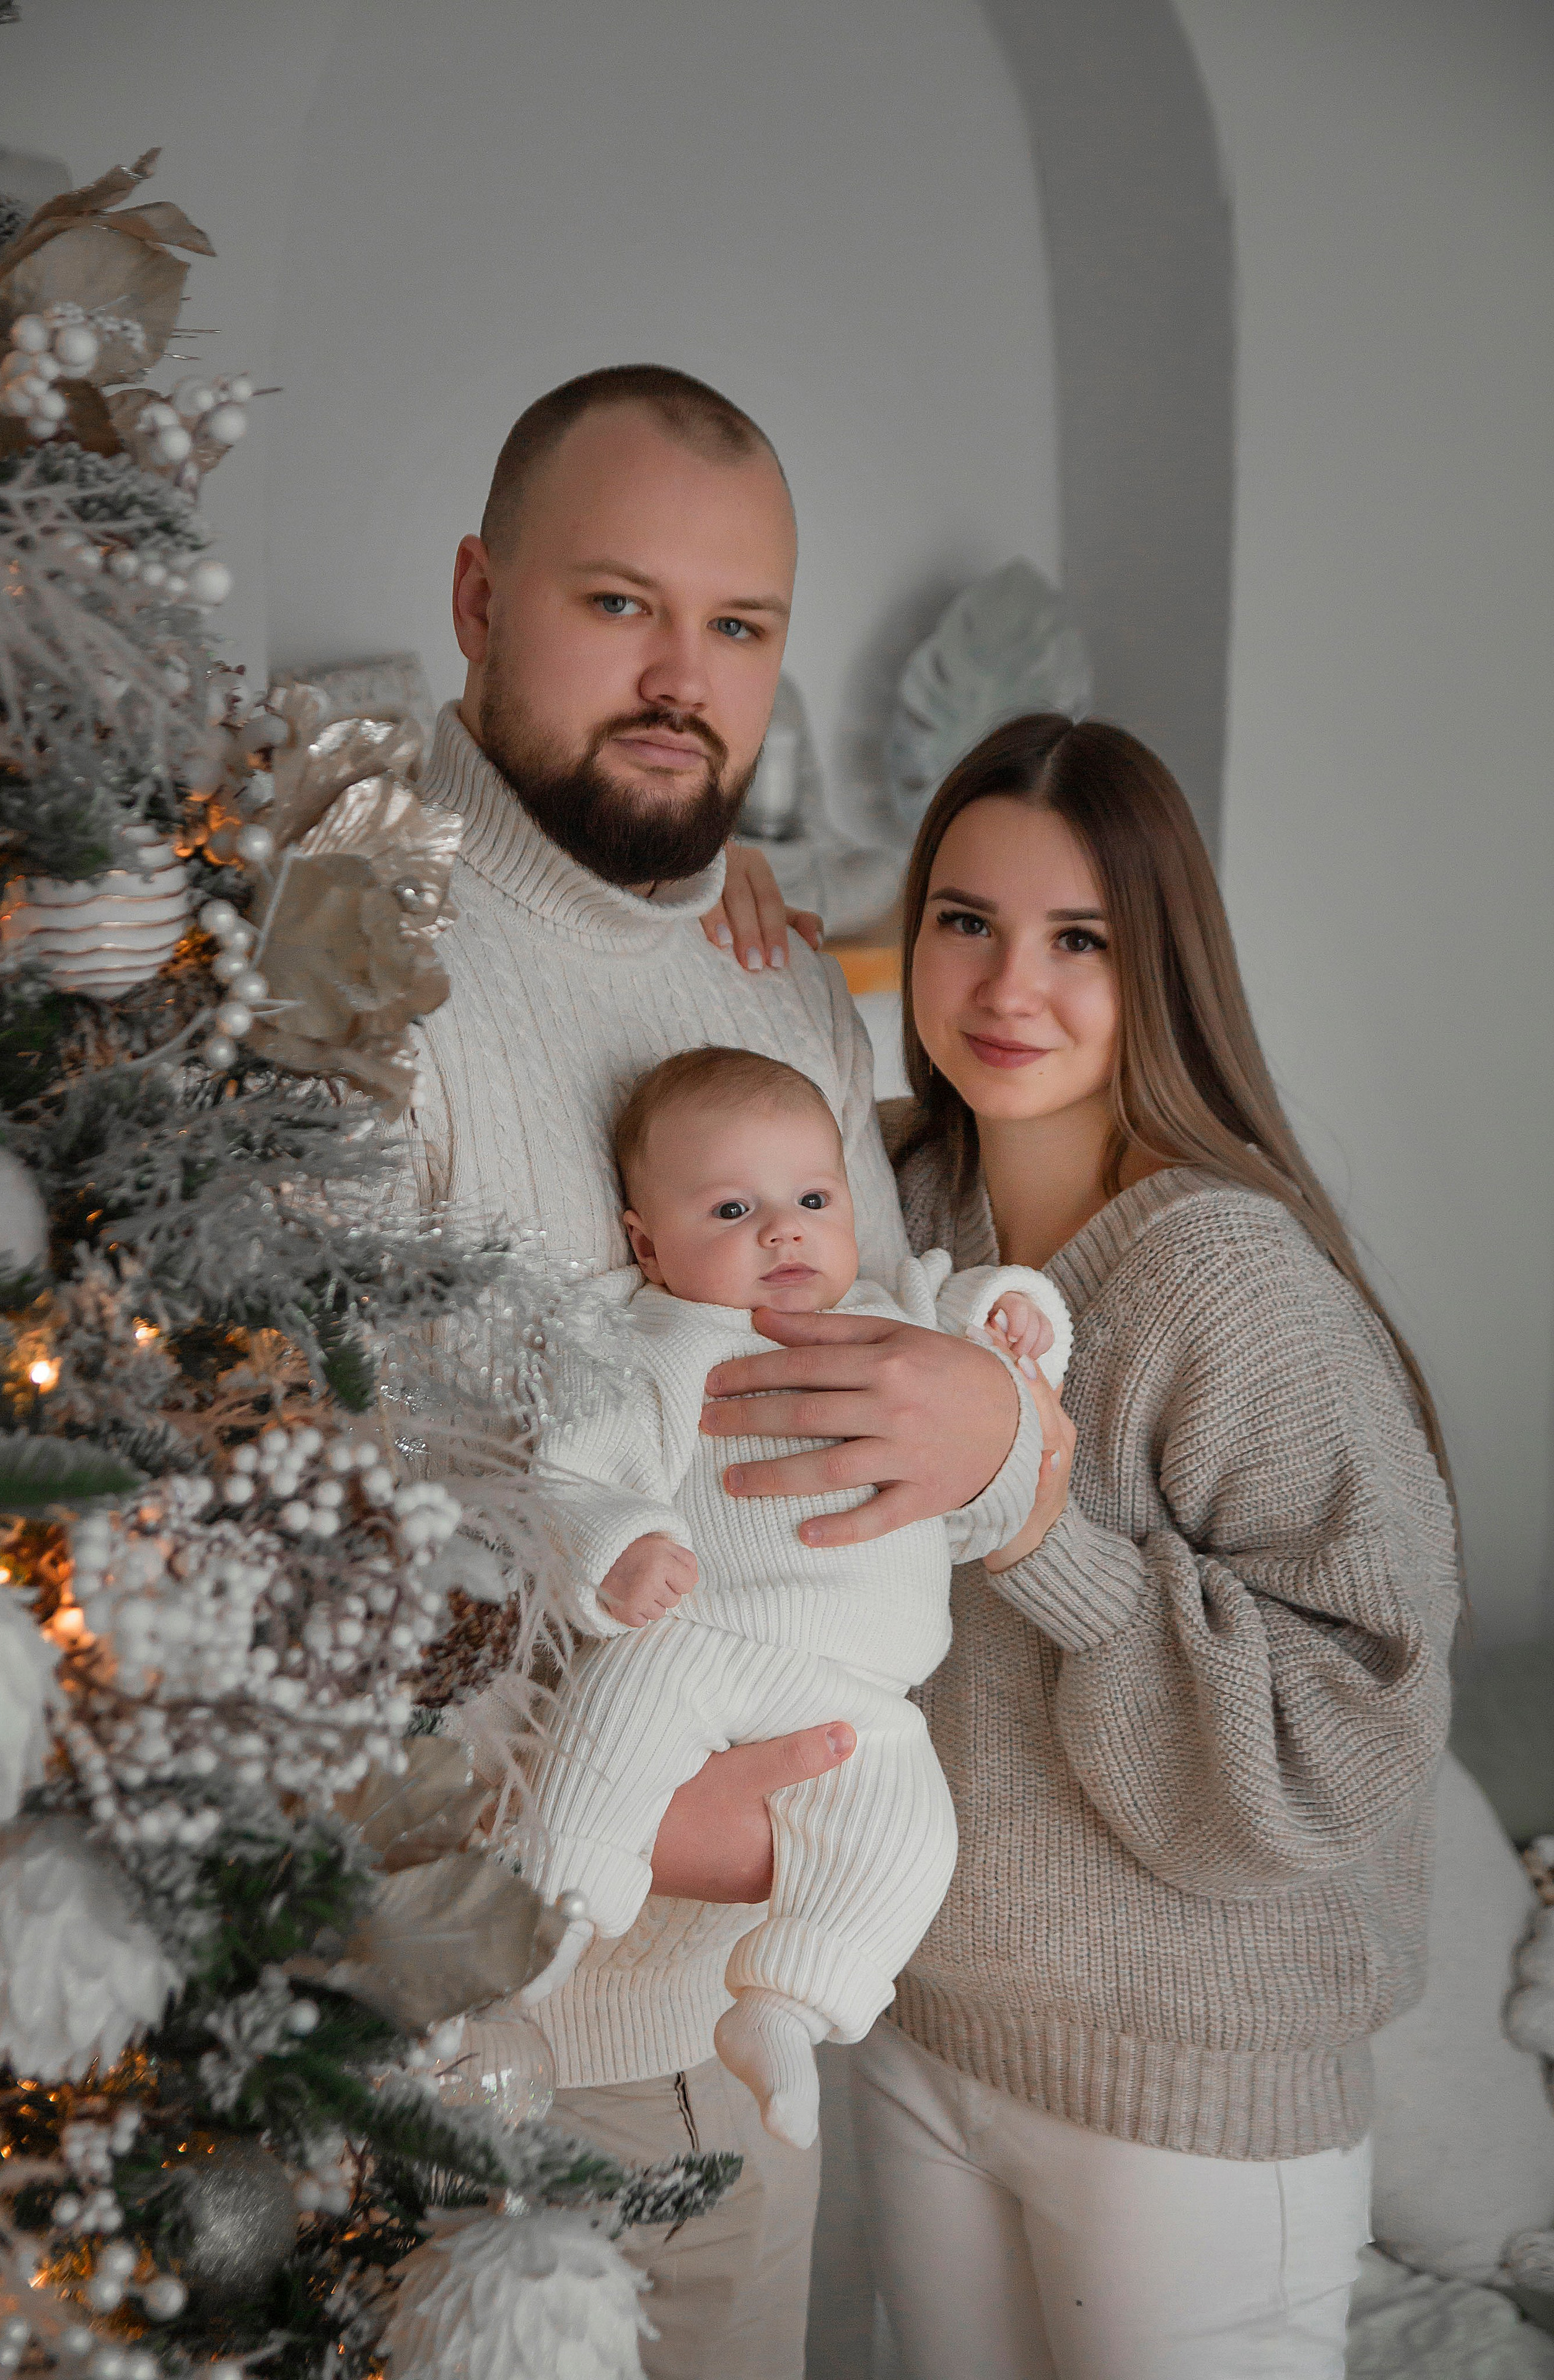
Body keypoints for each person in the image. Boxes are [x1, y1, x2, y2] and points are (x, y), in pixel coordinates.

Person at [406, 362, 1054, 2378]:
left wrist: (1007, 1443)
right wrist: (645, 1822)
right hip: (433, 2032)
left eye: (741, 626)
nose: (682, 677)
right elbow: (242, 1555)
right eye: (619, 605)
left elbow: (909, 1397)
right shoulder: (348, 950)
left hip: (734, 2060)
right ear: (476, 597)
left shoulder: (774, 968)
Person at [795, 711, 1455, 2380]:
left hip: (1197, 2098)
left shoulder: (1230, 1283)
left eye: (1079, 938)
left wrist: (1034, 1516)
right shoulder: (893, 1203)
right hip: (932, 2033)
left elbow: (1354, 1734)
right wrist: (731, 940)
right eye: (966, 920)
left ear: (1160, 964)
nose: (1010, 985)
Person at [520, 1045, 1068, 2152]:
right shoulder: (660, 1342)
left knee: (912, 1840)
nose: (784, 1230)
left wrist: (1016, 1320)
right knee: (597, 1758)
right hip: (700, 1640)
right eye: (733, 1207)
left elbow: (986, 1365)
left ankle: (785, 2006)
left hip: (865, 1691)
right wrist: (618, 1549)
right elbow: (571, 1476)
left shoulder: (891, 1318)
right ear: (647, 1242)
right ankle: (537, 1939)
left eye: (813, 1199)